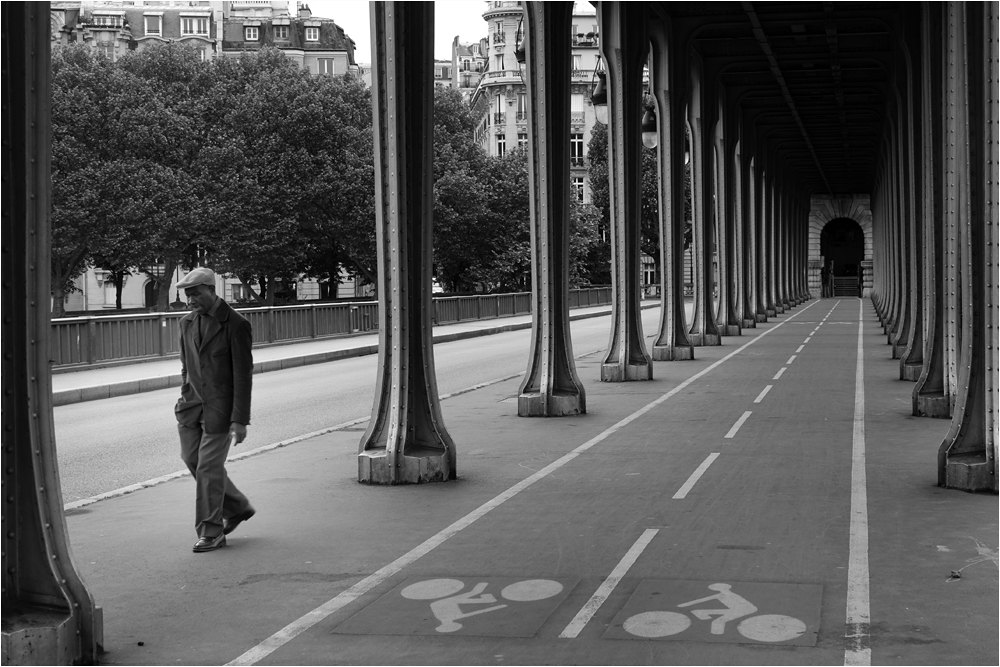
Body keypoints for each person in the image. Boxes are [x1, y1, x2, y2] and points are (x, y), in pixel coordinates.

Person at [174, 267, 255, 553]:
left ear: (211, 289)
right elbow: (186, 367)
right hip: (191, 407)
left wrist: (240, 420)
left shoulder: (236, 323)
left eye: (195, 294)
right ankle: (236, 507)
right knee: (192, 459)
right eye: (187, 295)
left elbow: (243, 376)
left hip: (221, 409)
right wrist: (185, 394)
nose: (191, 300)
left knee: (208, 466)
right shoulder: (185, 323)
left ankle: (212, 531)